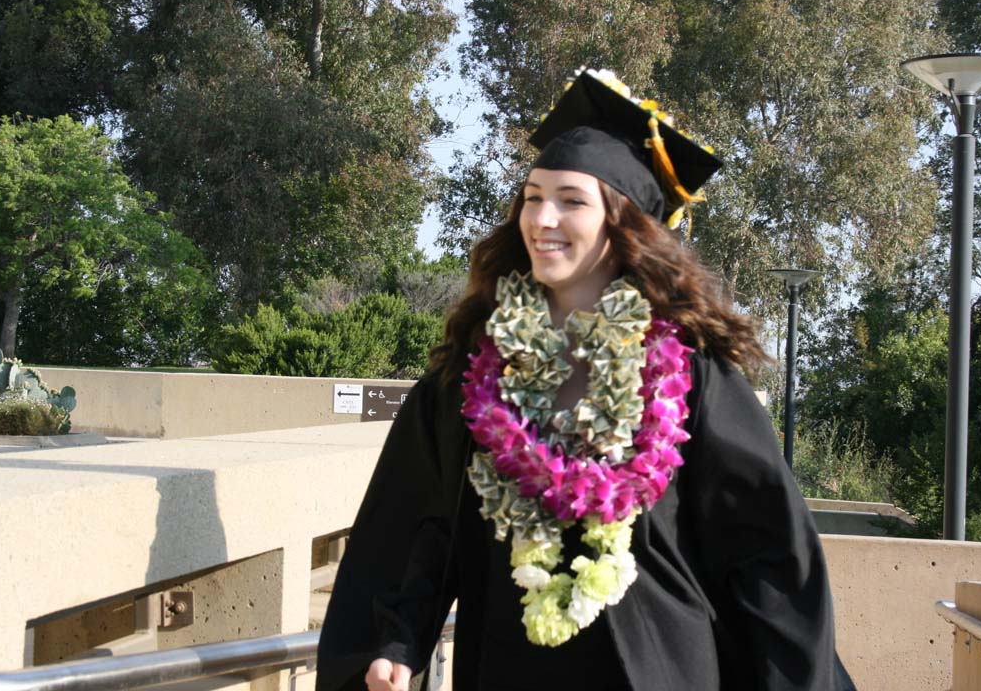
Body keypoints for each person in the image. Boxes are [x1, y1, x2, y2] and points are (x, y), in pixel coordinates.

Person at [317, 68, 855, 691]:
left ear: (622, 223)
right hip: (510, 667)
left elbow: (763, 552)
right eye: (532, 196)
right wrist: (396, 639)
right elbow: (420, 520)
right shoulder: (472, 372)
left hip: (660, 668)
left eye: (572, 200)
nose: (542, 217)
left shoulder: (690, 371)